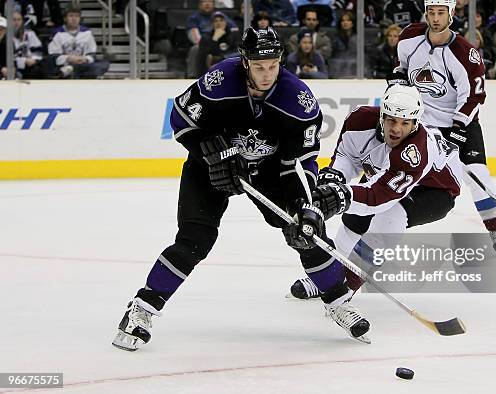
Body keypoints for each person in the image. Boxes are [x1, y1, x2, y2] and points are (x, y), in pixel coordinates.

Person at [111, 27, 370, 351]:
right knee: (195, 240)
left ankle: (339, 302)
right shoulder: (219, 81)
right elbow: (180, 119)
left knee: (306, 231)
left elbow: (302, 162)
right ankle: (142, 308)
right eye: (259, 66)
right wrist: (211, 150)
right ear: (244, 62)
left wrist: (307, 205)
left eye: (273, 65)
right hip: (210, 168)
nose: (266, 74)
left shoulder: (299, 101)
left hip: (271, 172)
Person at [289, 85, 462, 300]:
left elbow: (378, 197)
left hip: (435, 188)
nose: (396, 129)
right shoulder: (359, 120)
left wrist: (340, 195)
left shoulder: (416, 150)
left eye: (405, 123)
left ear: (415, 123)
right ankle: (328, 278)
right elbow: (347, 157)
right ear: (382, 115)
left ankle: (347, 285)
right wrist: (335, 178)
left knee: (389, 218)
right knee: (353, 217)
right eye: (391, 120)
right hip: (386, 174)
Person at [391, 0, 496, 253]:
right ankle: (382, 222)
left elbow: (474, 96)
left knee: (478, 175)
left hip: (460, 122)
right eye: (431, 13)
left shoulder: (465, 53)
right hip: (421, 123)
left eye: (441, 13)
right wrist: (399, 80)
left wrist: (457, 127)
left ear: (452, 14)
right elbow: (401, 68)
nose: (435, 18)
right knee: (398, 168)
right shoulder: (409, 37)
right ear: (426, 13)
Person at [47, 5, 109, 79]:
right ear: (65, 18)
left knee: (105, 64)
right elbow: (54, 57)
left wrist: (85, 59)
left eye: (77, 16)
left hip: (83, 64)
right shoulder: (57, 33)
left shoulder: (87, 32)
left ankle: (73, 70)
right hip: (64, 65)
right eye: (71, 16)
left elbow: (92, 55)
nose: (74, 19)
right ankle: (73, 71)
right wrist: (69, 58)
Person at [185, 0, 236, 78]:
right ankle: (193, 76)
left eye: (210, 1)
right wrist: (209, 41)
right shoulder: (194, 18)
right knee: (197, 48)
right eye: (204, 2)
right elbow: (194, 36)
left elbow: (235, 30)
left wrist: (227, 38)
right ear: (199, 4)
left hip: (222, 41)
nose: (207, 4)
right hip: (204, 42)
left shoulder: (221, 15)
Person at [12, 11, 43, 79]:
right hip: (13, 66)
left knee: (37, 69)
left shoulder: (30, 34)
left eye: (19, 19)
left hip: (30, 65)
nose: (16, 22)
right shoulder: (5, 36)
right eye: (14, 20)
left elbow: (38, 51)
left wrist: (34, 59)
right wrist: (24, 61)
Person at [329, 10, 358, 78]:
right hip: (337, 71)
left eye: (348, 20)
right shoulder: (334, 38)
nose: (345, 23)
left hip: (354, 70)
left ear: (352, 23)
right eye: (343, 20)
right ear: (340, 23)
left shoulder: (358, 38)